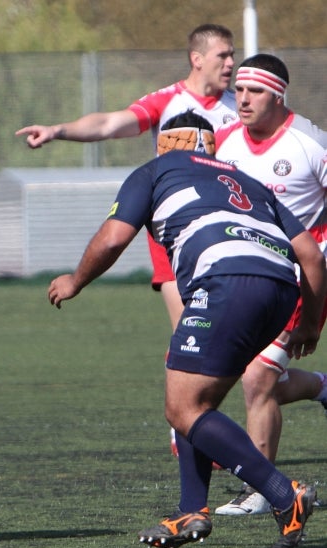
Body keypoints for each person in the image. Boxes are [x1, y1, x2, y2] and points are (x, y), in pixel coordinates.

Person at [48, 111, 325, 548]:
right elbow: (310, 255)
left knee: (182, 408)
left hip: (227, 280)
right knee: (194, 391)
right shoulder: (247, 180)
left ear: (167, 142)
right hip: (279, 289)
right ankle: (192, 509)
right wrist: (309, 323)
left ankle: (282, 494)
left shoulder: (157, 170)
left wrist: (75, 280)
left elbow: (114, 238)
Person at [17, 23, 237, 329]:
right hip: (172, 227)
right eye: (222, 55)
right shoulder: (168, 101)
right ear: (197, 59)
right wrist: (57, 131)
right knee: (189, 329)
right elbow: (108, 124)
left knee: (234, 331)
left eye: (232, 56)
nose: (230, 63)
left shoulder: (241, 106)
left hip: (227, 222)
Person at [203, 54, 327, 516]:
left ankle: (263, 490)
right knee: (254, 379)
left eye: (253, 91)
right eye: (238, 90)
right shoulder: (227, 142)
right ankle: (319, 387)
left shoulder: (309, 144)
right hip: (249, 278)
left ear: (278, 94)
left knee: (258, 378)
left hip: (301, 279)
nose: (242, 99)